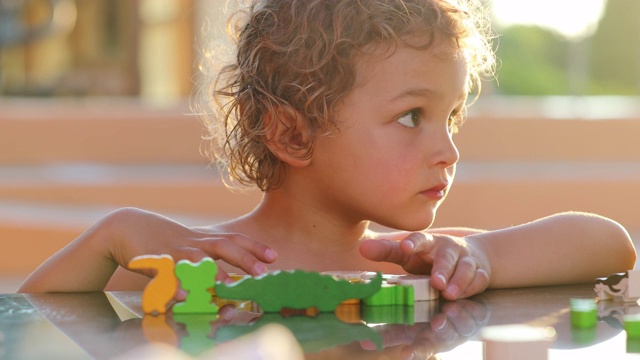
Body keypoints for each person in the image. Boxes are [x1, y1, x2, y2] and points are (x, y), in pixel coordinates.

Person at [18, 0, 636, 301]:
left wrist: (484, 255)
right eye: (412, 116)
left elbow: (607, 243)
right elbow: (32, 327)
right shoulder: (204, 268)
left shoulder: (414, 263)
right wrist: (113, 236)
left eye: (451, 117)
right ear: (293, 135)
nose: (447, 149)